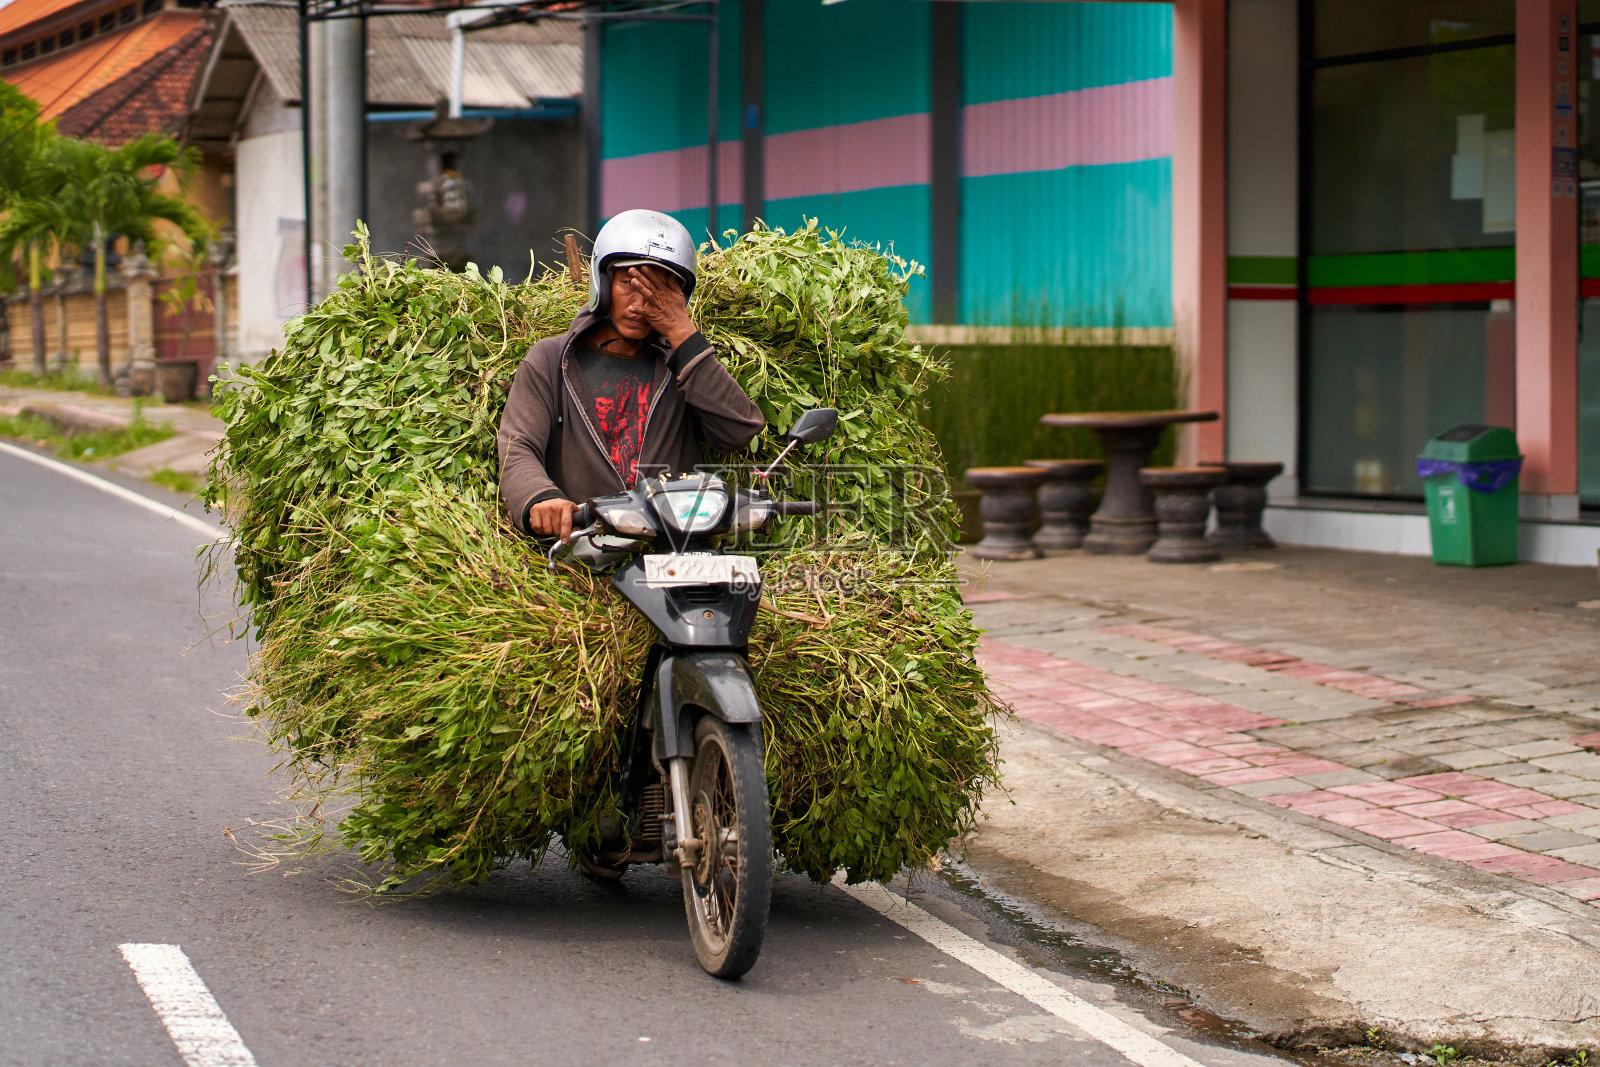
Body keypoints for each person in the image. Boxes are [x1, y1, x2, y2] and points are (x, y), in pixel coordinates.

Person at [498, 209, 766, 540]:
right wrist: (541, 499)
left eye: (660, 291)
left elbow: (737, 432)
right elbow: (518, 446)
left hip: (672, 551)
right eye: (629, 284)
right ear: (605, 283)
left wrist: (682, 333)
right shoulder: (552, 360)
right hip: (585, 550)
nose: (641, 303)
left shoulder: (685, 365)